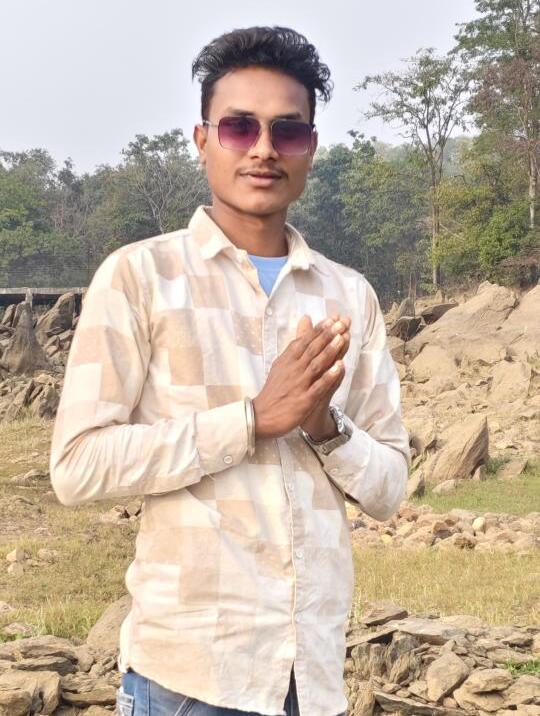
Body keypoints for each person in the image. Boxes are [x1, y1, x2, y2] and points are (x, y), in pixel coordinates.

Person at [50, 25, 411, 716]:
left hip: (312, 679)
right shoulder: (139, 278)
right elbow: (77, 466)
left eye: (288, 131)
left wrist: (324, 426)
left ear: (311, 147)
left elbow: (390, 487)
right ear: (203, 140)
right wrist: (250, 421)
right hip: (187, 680)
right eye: (240, 127)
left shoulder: (349, 296)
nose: (264, 149)